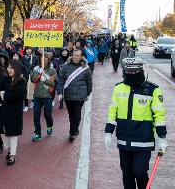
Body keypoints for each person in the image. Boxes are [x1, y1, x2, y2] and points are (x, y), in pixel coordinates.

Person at [104, 57, 168, 189]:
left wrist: (162, 138)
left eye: (134, 72)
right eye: (129, 71)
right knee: (127, 173)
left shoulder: (153, 90)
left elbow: (159, 116)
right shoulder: (118, 88)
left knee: (139, 172)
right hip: (124, 139)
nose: (131, 74)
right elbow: (112, 112)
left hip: (143, 140)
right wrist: (108, 132)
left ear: (141, 71)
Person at [57, 49, 93, 141]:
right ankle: (74, 130)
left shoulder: (85, 68)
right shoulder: (65, 67)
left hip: (80, 96)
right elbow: (60, 80)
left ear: (81, 57)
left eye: (78, 56)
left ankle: (72, 132)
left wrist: (88, 93)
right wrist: (60, 92)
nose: (76, 57)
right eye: (74, 55)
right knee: (71, 114)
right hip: (68, 95)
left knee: (76, 114)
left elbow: (89, 82)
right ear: (71, 56)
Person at [0, 60, 26, 166]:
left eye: (11, 68)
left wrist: (5, 96)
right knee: (0, 127)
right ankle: (9, 148)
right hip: (5, 108)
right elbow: (1, 91)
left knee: (13, 133)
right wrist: (3, 96)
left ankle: (12, 155)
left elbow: (18, 96)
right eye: (8, 68)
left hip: (15, 110)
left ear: (16, 69)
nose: (9, 70)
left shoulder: (21, 81)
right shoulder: (5, 79)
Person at [31, 55, 57, 141]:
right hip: (37, 96)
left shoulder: (52, 70)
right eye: (42, 59)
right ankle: (37, 133)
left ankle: (49, 126)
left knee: (47, 114)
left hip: (47, 96)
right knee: (36, 115)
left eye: (46, 59)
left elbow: (53, 84)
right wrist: (39, 75)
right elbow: (32, 79)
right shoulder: (36, 69)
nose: (44, 60)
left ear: (48, 60)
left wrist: (45, 79)